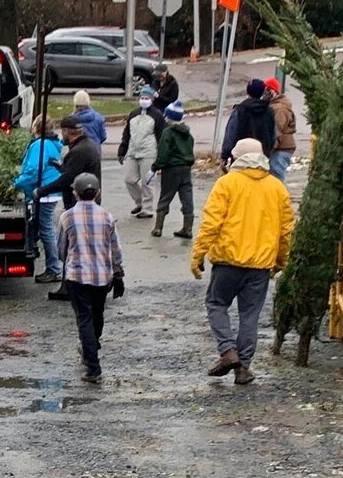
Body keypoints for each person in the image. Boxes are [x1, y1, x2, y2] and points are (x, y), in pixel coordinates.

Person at [190, 139, 296, 385]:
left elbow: (211, 223)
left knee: (216, 304)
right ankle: (243, 367)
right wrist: (280, 261)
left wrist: (198, 254)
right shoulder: (277, 188)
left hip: (228, 261)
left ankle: (228, 352)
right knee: (250, 315)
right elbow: (285, 230)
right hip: (260, 266)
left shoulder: (226, 184)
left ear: (236, 159)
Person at [57, 171, 126, 384]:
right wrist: (118, 274)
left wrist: (67, 261)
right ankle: (92, 345)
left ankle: (93, 365)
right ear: (97, 193)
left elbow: (61, 249)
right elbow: (115, 249)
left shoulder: (67, 217)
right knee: (97, 315)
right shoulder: (106, 216)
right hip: (101, 276)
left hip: (77, 276)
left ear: (75, 194)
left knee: (84, 319)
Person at [49, 119, 102, 299]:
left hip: (79, 203)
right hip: (89, 200)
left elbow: (68, 179)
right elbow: (72, 171)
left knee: (71, 245)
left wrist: (42, 191)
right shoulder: (86, 146)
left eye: (61, 131)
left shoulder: (79, 151)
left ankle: (69, 286)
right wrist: (59, 166)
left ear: (67, 131)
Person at [11, 119, 65, 279]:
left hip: (43, 193)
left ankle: (54, 268)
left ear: (36, 128)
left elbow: (33, 170)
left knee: (46, 229)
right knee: (46, 228)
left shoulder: (39, 145)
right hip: (51, 191)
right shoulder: (52, 144)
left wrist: (16, 183)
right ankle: (54, 266)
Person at [152, 101, 198, 240]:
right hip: (186, 169)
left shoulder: (168, 133)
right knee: (187, 197)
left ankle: (158, 227)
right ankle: (187, 228)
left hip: (171, 169)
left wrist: (156, 166)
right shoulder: (188, 134)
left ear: (169, 117)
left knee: (166, 196)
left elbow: (163, 153)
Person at [221, 77, 279, 165]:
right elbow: (272, 136)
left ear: (248, 91)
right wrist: (268, 152)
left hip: (241, 156)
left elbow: (231, 134)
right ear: (262, 92)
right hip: (261, 157)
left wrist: (226, 155)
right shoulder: (268, 111)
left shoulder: (240, 110)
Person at [117, 102, 158, 218]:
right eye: (142, 97)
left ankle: (148, 209)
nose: (144, 100)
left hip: (149, 153)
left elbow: (161, 134)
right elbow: (127, 134)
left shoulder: (156, 115)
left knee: (147, 182)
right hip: (133, 152)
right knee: (129, 179)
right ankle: (140, 202)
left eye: (147, 97)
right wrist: (122, 150)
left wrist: (161, 155)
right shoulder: (134, 114)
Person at [267, 77, 300, 181]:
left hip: (281, 148)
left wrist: (270, 148)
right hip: (281, 148)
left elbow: (277, 130)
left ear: (272, 91)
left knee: (277, 179)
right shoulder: (276, 106)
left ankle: (280, 197)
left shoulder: (280, 109)